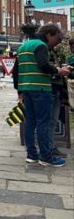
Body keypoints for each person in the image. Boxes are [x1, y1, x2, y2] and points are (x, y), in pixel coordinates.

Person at [12, 24, 69, 167]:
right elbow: (44, 66)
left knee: (30, 122)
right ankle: (46, 156)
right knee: (43, 122)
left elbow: (16, 71)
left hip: (26, 88)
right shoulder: (41, 46)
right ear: (49, 34)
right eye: (57, 38)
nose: (58, 42)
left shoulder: (23, 47)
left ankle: (32, 154)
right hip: (40, 88)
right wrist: (59, 70)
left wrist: (19, 90)